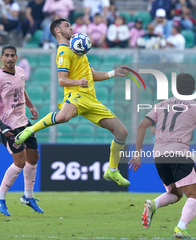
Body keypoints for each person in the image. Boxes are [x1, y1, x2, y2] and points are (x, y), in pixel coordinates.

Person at [15, 18, 131, 187]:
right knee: (63, 117)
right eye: (67, 26)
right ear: (58, 31)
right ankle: (30, 130)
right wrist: (78, 83)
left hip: (91, 99)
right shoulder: (63, 51)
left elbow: (93, 75)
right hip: (76, 95)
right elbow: (62, 80)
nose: (71, 28)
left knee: (122, 132)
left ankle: (112, 170)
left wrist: (114, 73)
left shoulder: (78, 49)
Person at [128, 73, 196, 238]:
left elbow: (142, 127)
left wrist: (137, 154)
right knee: (194, 195)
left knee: (176, 193)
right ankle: (181, 228)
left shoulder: (161, 105)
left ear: (175, 88)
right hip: (178, 153)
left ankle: (153, 204)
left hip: (159, 155)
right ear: (193, 90)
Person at [0, 44, 44, 216]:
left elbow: (21, 90)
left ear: (16, 57)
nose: (10, 58)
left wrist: (31, 106)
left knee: (33, 157)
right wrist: (0, 125)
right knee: (19, 162)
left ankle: (28, 196)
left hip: (24, 122)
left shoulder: (20, 71)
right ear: (1, 58)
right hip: (9, 126)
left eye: (12, 55)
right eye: (7, 55)